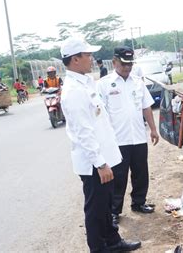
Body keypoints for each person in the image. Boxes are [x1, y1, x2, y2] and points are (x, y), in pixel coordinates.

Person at [59, 38, 141, 253]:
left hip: (104, 159)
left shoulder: (85, 83)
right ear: (75, 59)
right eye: (87, 55)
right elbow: (83, 132)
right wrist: (100, 163)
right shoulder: (74, 91)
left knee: (105, 206)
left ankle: (112, 242)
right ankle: (98, 248)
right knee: (95, 209)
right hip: (94, 163)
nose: (92, 58)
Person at [97, 46, 159, 224]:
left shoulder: (138, 82)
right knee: (118, 177)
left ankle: (139, 202)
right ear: (114, 62)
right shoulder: (104, 84)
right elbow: (100, 114)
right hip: (118, 140)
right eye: (124, 64)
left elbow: (146, 106)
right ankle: (114, 211)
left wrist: (153, 129)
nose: (127, 67)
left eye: (130, 63)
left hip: (138, 136)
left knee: (141, 173)